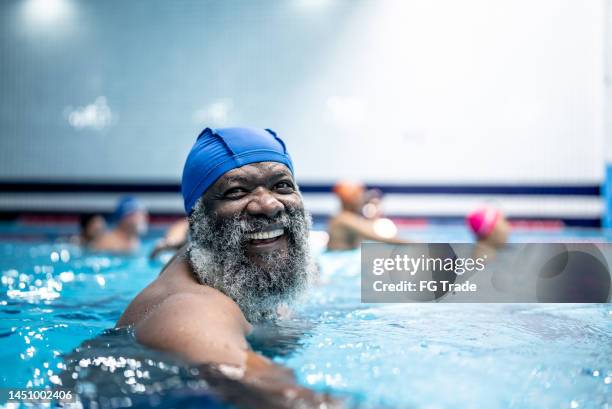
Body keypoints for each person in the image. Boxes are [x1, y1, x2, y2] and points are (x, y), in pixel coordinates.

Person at [116, 127, 335, 407]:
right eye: (236, 191)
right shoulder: (190, 311)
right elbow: (293, 401)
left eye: (282, 185)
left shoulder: (207, 259)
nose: (269, 205)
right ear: (198, 221)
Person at [327, 181, 405, 250]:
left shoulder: (341, 218)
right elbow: (378, 237)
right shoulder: (344, 220)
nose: (362, 199)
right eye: (359, 196)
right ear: (352, 200)